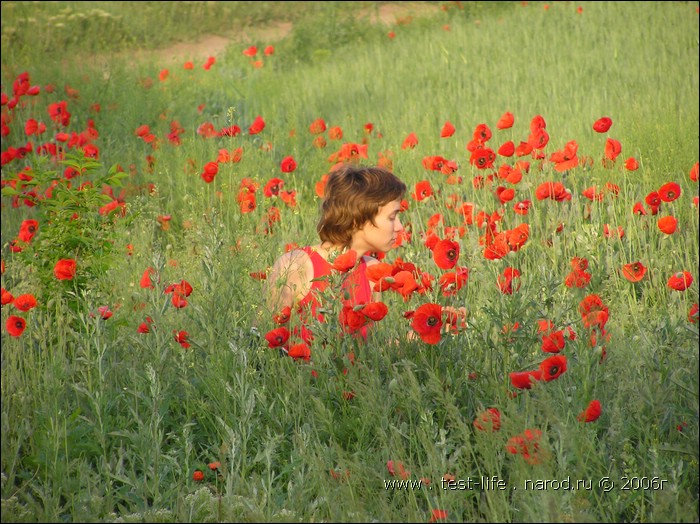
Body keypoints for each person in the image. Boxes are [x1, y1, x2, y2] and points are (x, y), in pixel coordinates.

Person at [265, 164, 406, 348]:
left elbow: (370, 350)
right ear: (359, 218)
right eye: (392, 217)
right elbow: (262, 343)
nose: (400, 227)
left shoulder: (372, 272)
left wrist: (435, 328)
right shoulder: (297, 266)